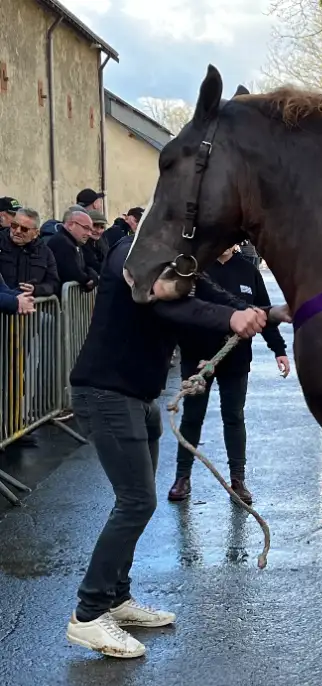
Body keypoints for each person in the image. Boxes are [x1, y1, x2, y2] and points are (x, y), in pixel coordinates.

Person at [64, 235, 289, 658]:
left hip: (138, 398)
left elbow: (213, 295)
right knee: (136, 502)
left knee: (133, 502)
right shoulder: (132, 255)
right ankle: (89, 614)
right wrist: (232, 319)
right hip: (106, 395)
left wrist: (270, 312)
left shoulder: (181, 265)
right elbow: (175, 306)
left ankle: (117, 598)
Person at [167, 243, 290, 504]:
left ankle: (238, 480)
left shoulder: (247, 270)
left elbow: (262, 311)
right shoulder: (199, 269)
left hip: (236, 357)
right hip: (198, 358)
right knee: (192, 417)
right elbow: (181, 310)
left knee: (233, 417)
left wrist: (278, 349)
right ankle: (182, 477)